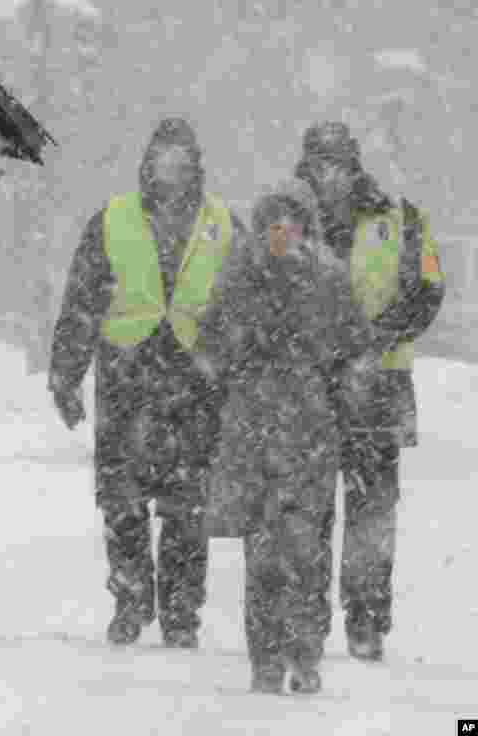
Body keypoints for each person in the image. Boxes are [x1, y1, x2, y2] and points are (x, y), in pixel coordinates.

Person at [47, 117, 248, 648]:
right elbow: (82, 301)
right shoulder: (112, 219)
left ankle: (182, 611)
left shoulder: (224, 223)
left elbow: (249, 303)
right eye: (163, 159)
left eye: (182, 160)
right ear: (147, 164)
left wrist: (239, 366)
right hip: (126, 372)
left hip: (196, 375)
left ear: (197, 167)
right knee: (123, 499)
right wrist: (65, 374)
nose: (172, 170)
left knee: (189, 504)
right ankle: (131, 601)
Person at [199, 179, 378, 694]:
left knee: (300, 546)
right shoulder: (245, 277)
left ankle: (300, 651)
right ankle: (273, 657)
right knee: (270, 549)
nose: (283, 234)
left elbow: (355, 351)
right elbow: (212, 349)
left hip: (298, 427)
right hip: (270, 426)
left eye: (291, 223)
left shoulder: (321, 278)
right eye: (273, 225)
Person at [293, 121, 445, 662]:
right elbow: (267, 287)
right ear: (306, 166)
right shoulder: (287, 221)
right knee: (305, 508)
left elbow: (429, 289)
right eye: (318, 163)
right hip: (308, 382)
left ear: (354, 165)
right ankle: (305, 617)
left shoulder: (400, 218)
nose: (328, 174)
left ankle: (365, 617)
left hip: (378, 383)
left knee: (372, 509)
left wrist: (380, 333)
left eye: (336, 163)